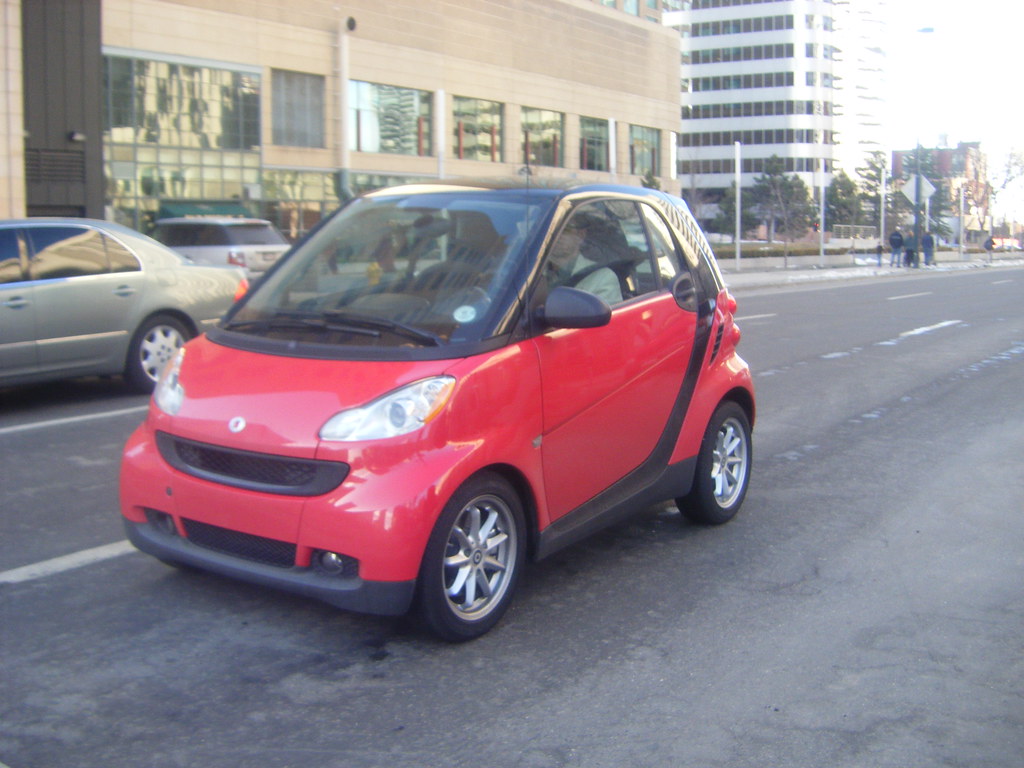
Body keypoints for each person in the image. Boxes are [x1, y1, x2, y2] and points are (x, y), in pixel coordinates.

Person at [547, 214, 622, 304]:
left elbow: (608, 312)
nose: (556, 236)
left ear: (581, 235)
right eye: (551, 231)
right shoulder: (534, 271)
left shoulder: (602, 277)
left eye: (565, 231)